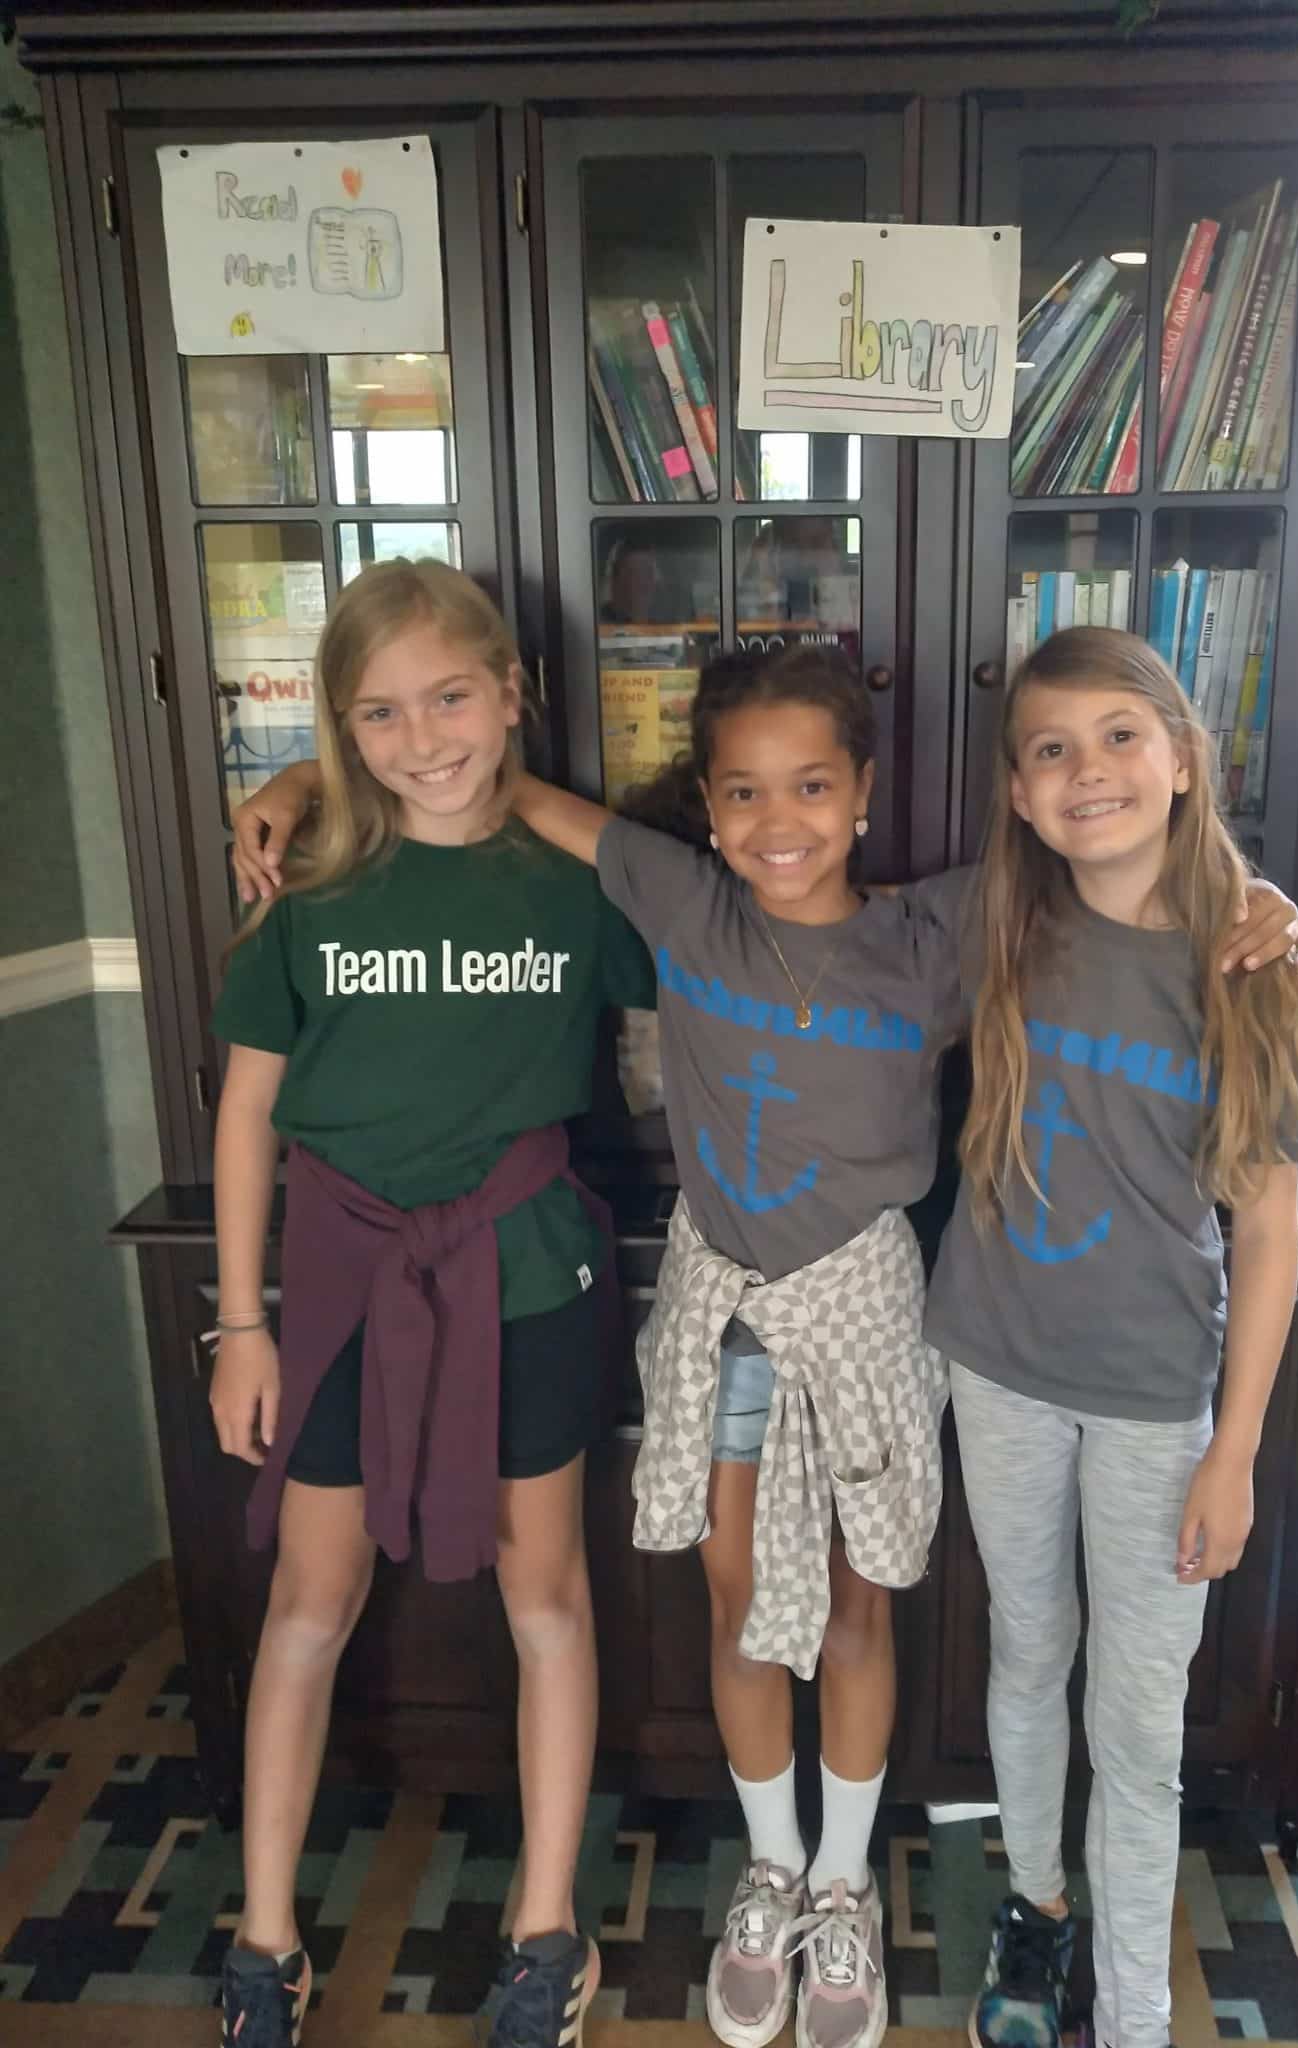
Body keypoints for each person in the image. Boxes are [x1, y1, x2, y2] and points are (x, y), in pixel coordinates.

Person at [231, 639, 1298, 2048]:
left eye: (811, 786)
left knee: (861, 1605)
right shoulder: (680, 899)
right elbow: (486, 783)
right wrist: (314, 780)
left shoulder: (946, 930)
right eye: (742, 793)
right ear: (707, 807)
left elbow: (1119, 869)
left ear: (864, 793)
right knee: (738, 1601)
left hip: (866, 1311)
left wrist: (1263, 906)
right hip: (727, 1311)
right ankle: (776, 1865)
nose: (778, 820)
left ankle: (845, 1883)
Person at [208, 558, 653, 2048]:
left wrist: (499, 790)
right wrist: (241, 1322)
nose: (422, 738)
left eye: (451, 697)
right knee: (308, 1601)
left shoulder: (577, 882)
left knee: (546, 1597)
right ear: (342, 726)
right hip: (343, 1288)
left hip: (528, 1280)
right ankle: (265, 1940)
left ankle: (546, 1930)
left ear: (512, 693)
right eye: (379, 714)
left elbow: (732, 932)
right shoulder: (307, 887)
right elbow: (248, 1109)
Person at [915, 627, 1298, 2048]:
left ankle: (1138, 2014)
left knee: (1140, 1723)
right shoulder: (997, 922)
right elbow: (815, 916)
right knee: (1028, 1654)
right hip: (998, 1367)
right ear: (1019, 791)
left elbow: (1269, 1234)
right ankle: (1038, 1909)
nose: (1086, 770)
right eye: (1051, 749)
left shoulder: (1255, 969)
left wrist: (1235, 1452)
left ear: (1181, 760)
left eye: (1119, 736)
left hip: (1162, 1402)